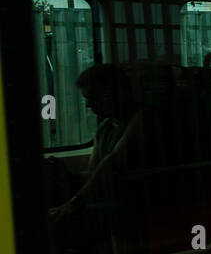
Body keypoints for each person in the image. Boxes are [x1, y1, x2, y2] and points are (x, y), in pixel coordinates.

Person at [49, 64, 143, 222]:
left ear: (112, 94)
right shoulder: (105, 128)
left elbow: (110, 165)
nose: (88, 105)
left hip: (135, 204)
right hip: (112, 201)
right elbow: (94, 173)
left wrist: (73, 203)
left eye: (92, 98)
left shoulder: (141, 119)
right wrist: (64, 175)